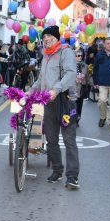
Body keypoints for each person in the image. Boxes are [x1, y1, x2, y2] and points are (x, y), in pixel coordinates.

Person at [30, 25, 80, 189]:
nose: (46, 40)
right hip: (48, 102)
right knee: (51, 140)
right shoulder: (46, 55)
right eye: (44, 38)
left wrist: (56, 90)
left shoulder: (65, 52)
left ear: (57, 38)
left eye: (49, 37)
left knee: (69, 140)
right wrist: (29, 92)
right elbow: (40, 80)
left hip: (65, 101)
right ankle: (57, 170)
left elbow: (71, 73)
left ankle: (72, 176)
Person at [74, 50, 89, 126]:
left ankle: (77, 119)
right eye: (78, 55)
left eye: (81, 55)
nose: (80, 57)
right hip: (72, 88)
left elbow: (88, 77)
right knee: (72, 104)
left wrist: (94, 85)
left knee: (79, 105)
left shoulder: (85, 66)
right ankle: (72, 118)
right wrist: (75, 78)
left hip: (81, 89)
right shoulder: (70, 65)